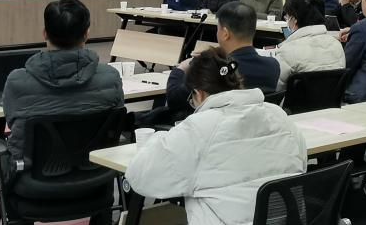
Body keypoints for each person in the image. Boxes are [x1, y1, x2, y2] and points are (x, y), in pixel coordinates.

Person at [126, 48, 307, 225]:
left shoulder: (198, 129)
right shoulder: (279, 116)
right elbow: (301, 166)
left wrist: (159, 139)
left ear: (199, 93)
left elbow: (139, 177)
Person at [2, 0, 123, 162]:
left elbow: (12, 123)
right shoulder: (111, 78)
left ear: (45, 33)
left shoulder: (17, 81)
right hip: (96, 172)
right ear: (86, 34)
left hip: (33, 175)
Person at [272, 0, 345, 91]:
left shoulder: (288, 51)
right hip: (331, 100)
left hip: (296, 101)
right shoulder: (337, 45)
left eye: (287, 17)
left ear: (294, 19)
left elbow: (276, 87)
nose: (287, 20)